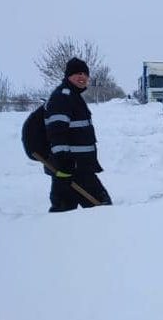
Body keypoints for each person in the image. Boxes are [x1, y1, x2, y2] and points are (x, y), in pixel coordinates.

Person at [44, 57, 112, 212]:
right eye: (77, 73)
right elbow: (56, 132)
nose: (82, 77)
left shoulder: (73, 97)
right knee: (102, 209)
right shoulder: (63, 97)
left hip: (76, 168)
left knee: (64, 210)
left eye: (85, 74)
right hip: (72, 168)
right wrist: (64, 162)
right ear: (68, 76)